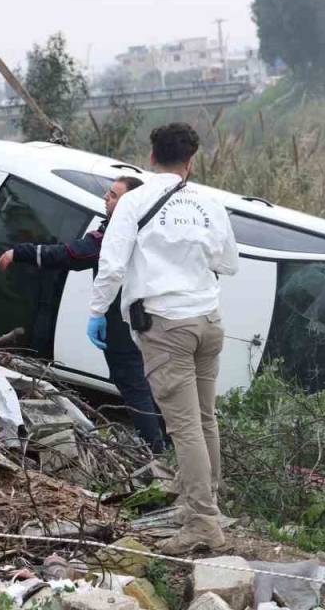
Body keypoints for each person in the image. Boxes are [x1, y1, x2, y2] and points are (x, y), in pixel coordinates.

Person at [88, 122, 238, 555]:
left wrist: (97, 311)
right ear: (191, 161)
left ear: (151, 157)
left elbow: (112, 266)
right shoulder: (210, 204)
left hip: (166, 325)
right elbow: (228, 263)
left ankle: (203, 523)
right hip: (208, 322)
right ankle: (203, 500)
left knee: (185, 426)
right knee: (205, 418)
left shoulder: (134, 202)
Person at [0, 175, 166, 454]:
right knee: (151, 384)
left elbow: (72, 255)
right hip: (148, 321)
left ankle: (154, 449)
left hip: (122, 323)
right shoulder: (147, 231)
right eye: (108, 193)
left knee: (133, 385)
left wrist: (21, 253)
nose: (106, 198)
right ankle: (167, 444)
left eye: (113, 196)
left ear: (129, 204)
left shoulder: (117, 235)